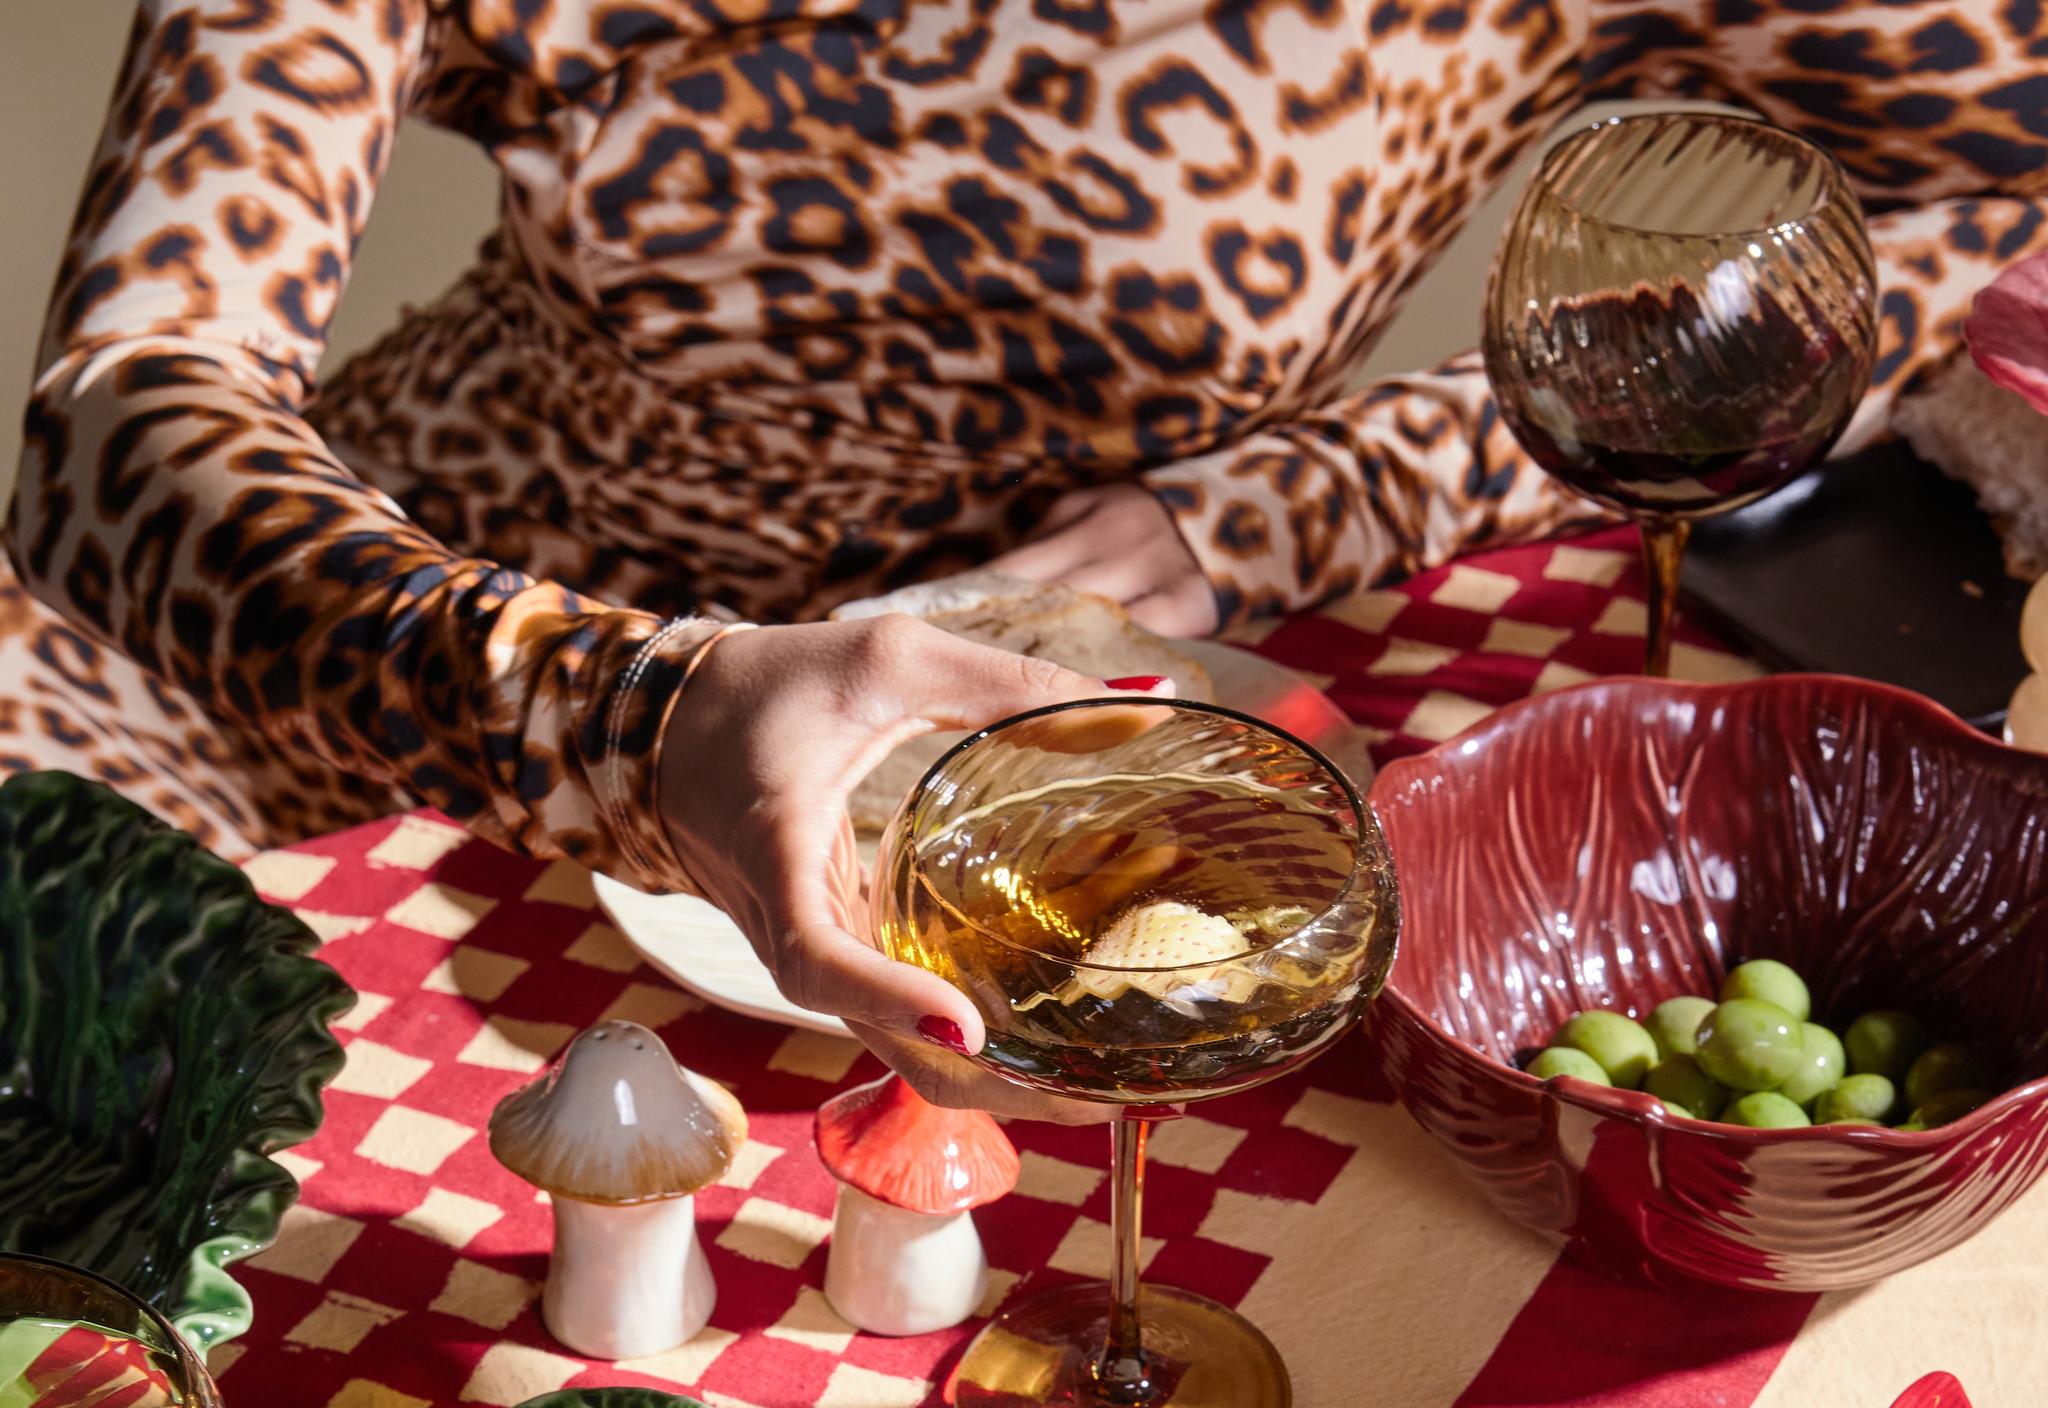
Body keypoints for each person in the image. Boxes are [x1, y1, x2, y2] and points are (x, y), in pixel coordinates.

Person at [2, 0, 2041, 1110]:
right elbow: (113, 412)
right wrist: (616, 698)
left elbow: (1938, 221)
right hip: (353, 645)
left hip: (1050, 742)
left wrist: (1274, 506)